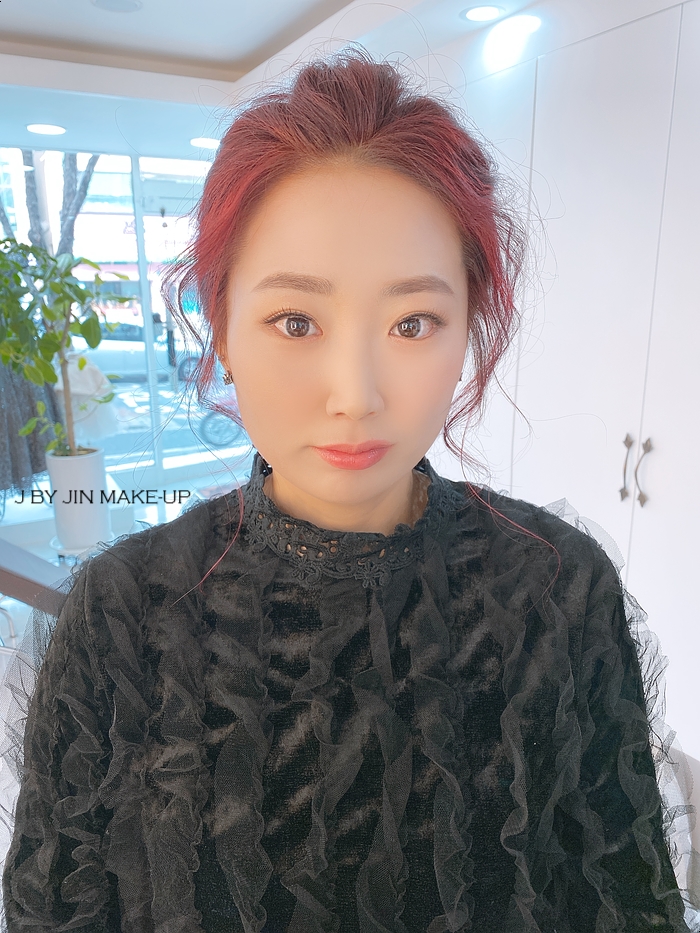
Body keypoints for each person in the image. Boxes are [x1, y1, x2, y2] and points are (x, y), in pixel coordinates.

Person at [1, 48, 698, 933]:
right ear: (222, 328)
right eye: (296, 320)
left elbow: (628, 901)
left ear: (469, 327)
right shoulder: (121, 615)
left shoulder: (556, 589)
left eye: (413, 322)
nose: (355, 393)